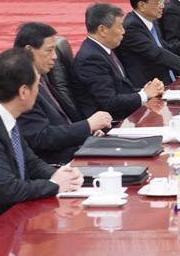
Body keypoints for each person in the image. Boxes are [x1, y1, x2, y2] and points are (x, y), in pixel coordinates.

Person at [0, 49, 83, 218]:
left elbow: (31, 162)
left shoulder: (8, 119)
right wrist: (55, 185)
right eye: (37, 86)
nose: (39, 91)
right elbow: (7, 189)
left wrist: (57, 174)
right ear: (23, 92)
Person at [13, 24, 112, 164]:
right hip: (58, 163)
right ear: (29, 50)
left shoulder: (41, 76)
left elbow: (63, 121)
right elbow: (40, 138)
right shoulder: (20, 87)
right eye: (49, 51)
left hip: (76, 149)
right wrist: (87, 125)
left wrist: (88, 132)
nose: (54, 57)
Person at [71, 3, 165, 120]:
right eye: (120, 26)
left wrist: (146, 90)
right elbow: (109, 103)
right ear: (103, 30)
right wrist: (144, 95)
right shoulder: (90, 58)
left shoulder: (103, 50)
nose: (123, 32)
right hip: (110, 125)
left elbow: (120, 89)